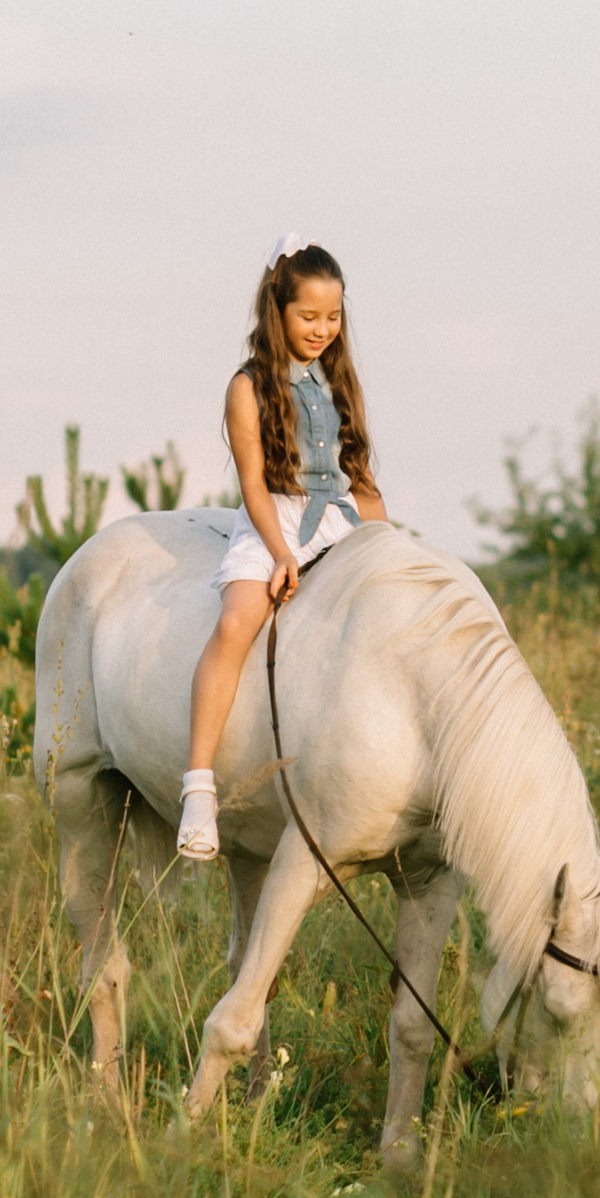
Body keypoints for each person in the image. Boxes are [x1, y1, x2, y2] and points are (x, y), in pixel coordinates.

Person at [176, 238, 390, 860]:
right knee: (239, 620)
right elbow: (251, 482)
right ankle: (198, 788)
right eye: (309, 317)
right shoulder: (247, 386)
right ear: (279, 311)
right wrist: (280, 553)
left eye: (334, 316)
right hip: (276, 515)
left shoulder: (339, 378)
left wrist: (385, 544)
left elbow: (361, 475)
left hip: (342, 518)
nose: (323, 329)